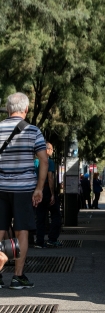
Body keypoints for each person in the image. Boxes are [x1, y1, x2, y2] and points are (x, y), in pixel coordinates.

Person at [0, 92, 47, 290]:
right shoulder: (33, 131)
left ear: (8, 109)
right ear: (26, 109)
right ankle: (17, 277)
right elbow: (44, 160)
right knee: (22, 232)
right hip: (24, 190)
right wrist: (39, 189)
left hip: (0, 188)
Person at [34, 142, 61, 248]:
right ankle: (52, 238)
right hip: (46, 190)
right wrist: (52, 194)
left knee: (40, 216)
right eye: (52, 149)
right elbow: (50, 178)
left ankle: (39, 242)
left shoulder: (35, 162)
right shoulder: (49, 162)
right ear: (47, 150)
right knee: (56, 214)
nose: (52, 151)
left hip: (36, 190)